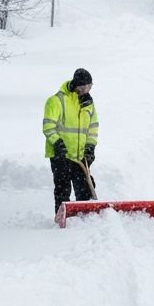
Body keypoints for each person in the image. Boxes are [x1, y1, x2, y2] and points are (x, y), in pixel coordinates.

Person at [42, 68, 99, 216]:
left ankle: (87, 218)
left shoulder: (88, 103)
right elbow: (48, 126)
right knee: (63, 188)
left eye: (89, 87)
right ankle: (62, 220)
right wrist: (57, 143)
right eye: (83, 87)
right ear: (75, 85)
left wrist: (90, 147)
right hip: (60, 155)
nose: (86, 90)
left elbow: (93, 128)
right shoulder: (56, 100)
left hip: (79, 155)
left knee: (85, 188)